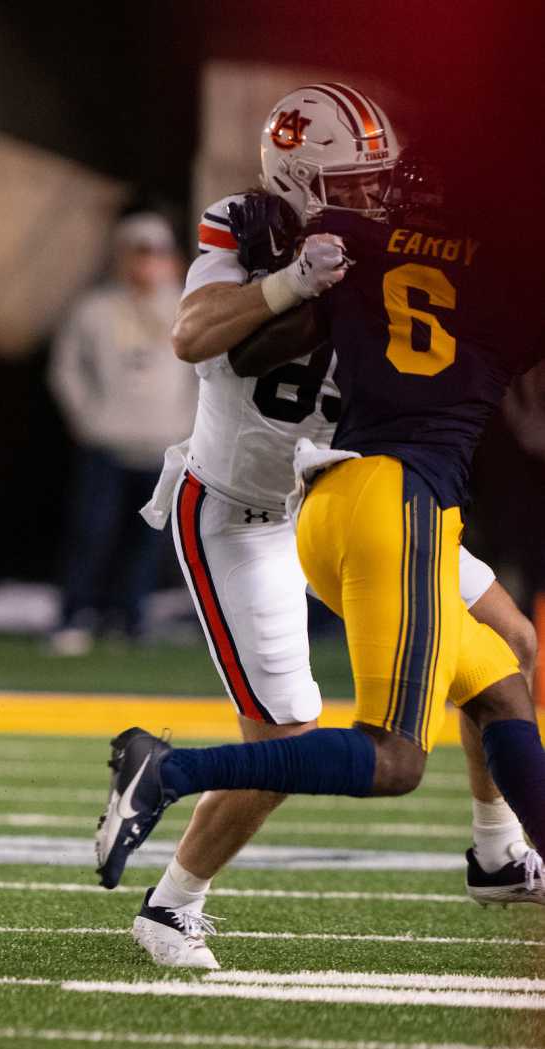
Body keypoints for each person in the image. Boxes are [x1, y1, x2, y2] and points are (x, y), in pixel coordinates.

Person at [126, 84, 540, 969]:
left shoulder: (388, 246)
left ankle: (498, 852)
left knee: (511, 645)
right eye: (356, 181)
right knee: (286, 738)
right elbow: (192, 333)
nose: (377, 198)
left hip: (357, 493)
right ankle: (171, 904)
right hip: (240, 514)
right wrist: (289, 281)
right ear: (301, 177)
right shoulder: (248, 224)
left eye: (381, 179)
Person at [47, 212, 196, 654]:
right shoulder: (95, 309)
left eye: (157, 254)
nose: (148, 264)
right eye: (140, 253)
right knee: (92, 531)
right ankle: (75, 616)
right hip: (107, 441)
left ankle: (131, 619)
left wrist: (187, 427)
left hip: (163, 443)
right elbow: (67, 369)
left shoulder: (187, 307)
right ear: (122, 257)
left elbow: (208, 374)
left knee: (147, 539)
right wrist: (87, 418)